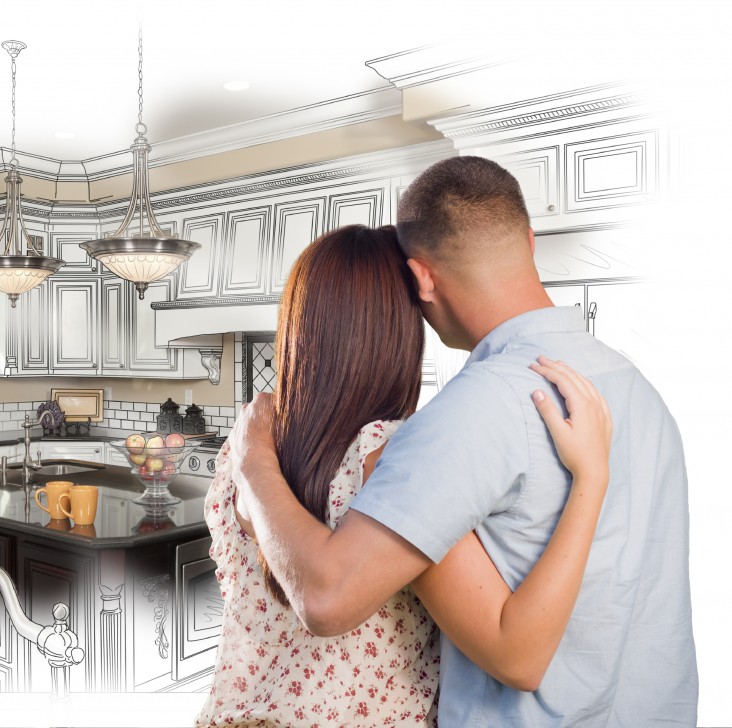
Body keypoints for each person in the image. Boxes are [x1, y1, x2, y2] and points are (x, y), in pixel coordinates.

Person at [228, 157, 698, 726]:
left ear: (421, 278)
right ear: (527, 238)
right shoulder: (635, 389)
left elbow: (327, 599)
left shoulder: (470, 413)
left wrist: (253, 460)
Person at [197, 224, 613, 727]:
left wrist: (253, 462)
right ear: (400, 334)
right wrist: (591, 476)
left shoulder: (245, 447)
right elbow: (516, 654)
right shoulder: (391, 459)